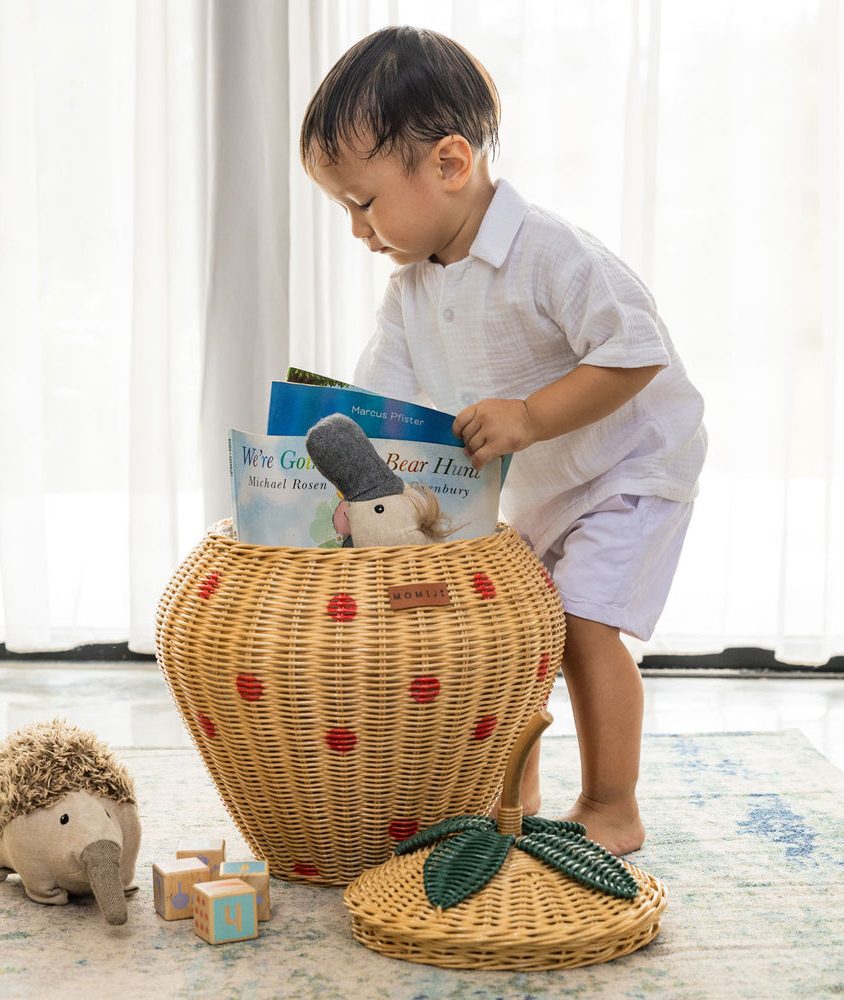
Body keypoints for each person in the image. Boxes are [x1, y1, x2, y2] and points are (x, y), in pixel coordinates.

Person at [299, 25, 707, 856]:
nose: (357, 231)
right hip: (543, 487)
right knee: (517, 630)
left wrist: (526, 415)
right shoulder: (411, 289)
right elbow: (380, 402)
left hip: (632, 463)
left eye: (364, 204)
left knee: (586, 626)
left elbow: (635, 352)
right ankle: (513, 793)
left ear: (451, 164)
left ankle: (611, 804)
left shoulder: (551, 252)